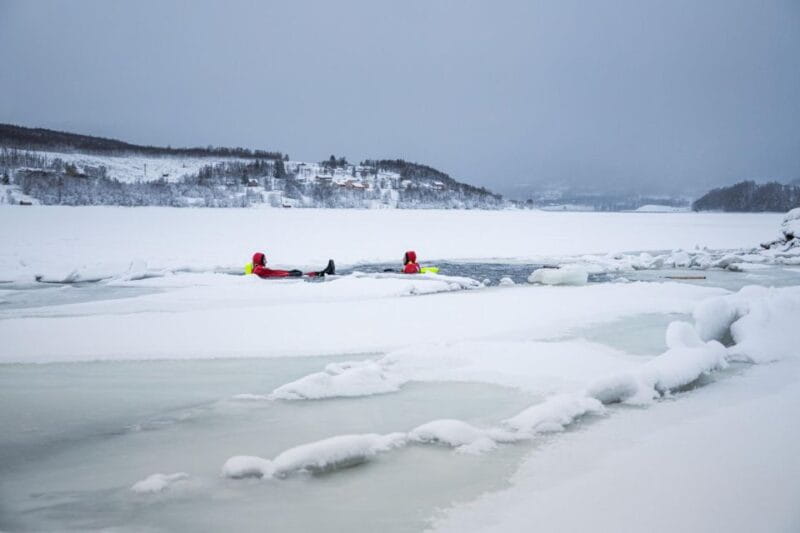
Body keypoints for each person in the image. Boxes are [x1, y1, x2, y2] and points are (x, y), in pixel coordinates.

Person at [248, 252, 335, 278]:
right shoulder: (258, 269)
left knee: (305, 274)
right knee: (305, 275)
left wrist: (288, 272)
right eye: (264, 259)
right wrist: (289, 274)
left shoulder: (259, 268)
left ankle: (324, 272)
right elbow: (273, 274)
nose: (266, 261)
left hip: (285, 274)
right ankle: (325, 273)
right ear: (258, 260)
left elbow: (274, 272)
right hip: (285, 276)